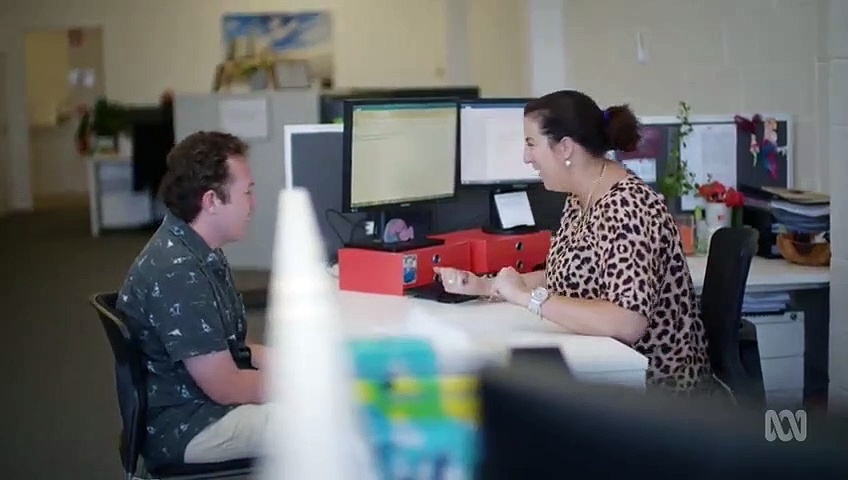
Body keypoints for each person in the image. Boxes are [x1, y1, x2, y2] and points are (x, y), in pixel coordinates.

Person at [435, 90, 714, 396]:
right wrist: (489, 286)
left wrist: (528, 299)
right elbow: (566, 274)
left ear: (565, 147)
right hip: (609, 369)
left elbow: (627, 321)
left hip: (655, 391)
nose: (526, 157)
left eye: (531, 144)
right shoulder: (581, 198)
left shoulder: (627, 207)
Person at [116, 131, 270, 469]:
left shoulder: (197, 247)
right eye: (247, 193)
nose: (253, 204)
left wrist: (295, 364)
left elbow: (231, 346)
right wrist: (306, 386)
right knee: (324, 422)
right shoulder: (177, 270)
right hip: (188, 424)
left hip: (200, 402)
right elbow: (227, 387)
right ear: (212, 201)